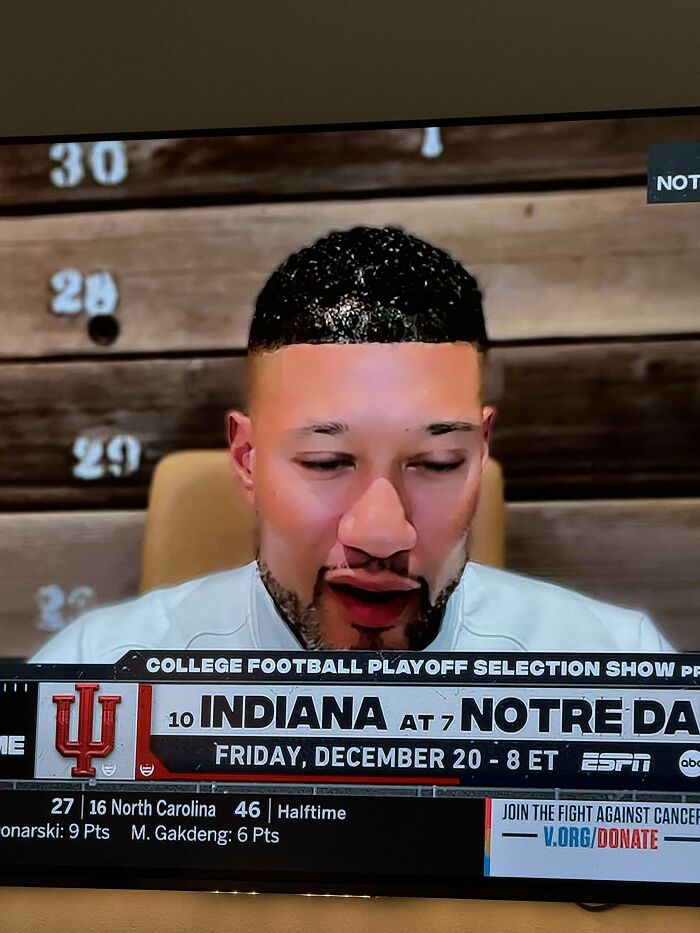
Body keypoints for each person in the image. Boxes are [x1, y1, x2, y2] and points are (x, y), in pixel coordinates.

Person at [31, 226, 672, 663]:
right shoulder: (96, 675)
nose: (381, 532)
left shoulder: (617, 668)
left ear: (480, 453)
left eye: (437, 463)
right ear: (246, 458)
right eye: (327, 463)